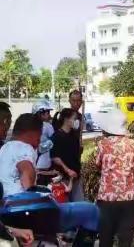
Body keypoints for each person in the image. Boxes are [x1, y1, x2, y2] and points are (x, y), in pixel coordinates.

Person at [0, 114, 99, 244]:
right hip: (23, 210)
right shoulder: (25, 147)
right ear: (34, 133)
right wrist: (31, 191)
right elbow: (25, 169)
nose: (39, 141)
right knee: (91, 211)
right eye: (39, 136)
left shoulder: (4, 148)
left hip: (5, 210)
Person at [95, 108, 134, 247]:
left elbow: (98, 165)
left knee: (105, 238)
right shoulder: (133, 144)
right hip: (128, 198)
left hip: (107, 198)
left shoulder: (102, 144)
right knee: (125, 240)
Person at [0, 104, 35, 247]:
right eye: (7, 121)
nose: (8, 127)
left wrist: (13, 231)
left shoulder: (3, 147)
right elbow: (27, 174)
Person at [51, 109, 82, 200]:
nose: (77, 121)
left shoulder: (74, 136)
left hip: (76, 177)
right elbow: (55, 157)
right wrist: (68, 170)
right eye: (74, 118)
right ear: (66, 119)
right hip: (63, 178)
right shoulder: (57, 136)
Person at [32, 100, 57, 186]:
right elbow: (54, 142)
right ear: (41, 113)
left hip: (33, 164)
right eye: (48, 112)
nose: (49, 114)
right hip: (44, 167)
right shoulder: (47, 126)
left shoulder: (30, 125)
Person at [68, 90, 85, 202]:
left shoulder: (80, 116)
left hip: (76, 154)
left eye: (78, 101)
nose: (76, 103)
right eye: (74, 100)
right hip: (67, 153)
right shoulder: (66, 115)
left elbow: (79, 134)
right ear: (69, 101)